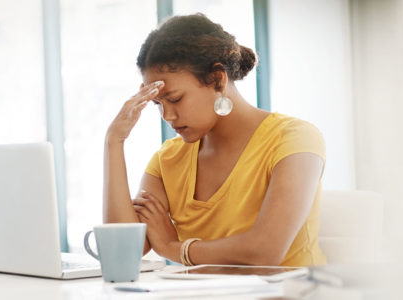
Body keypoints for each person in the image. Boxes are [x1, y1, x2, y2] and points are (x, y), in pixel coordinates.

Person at [104, 13, 326, 267]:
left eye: (175, 99)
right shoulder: (168, 159)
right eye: (157, 104)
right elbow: (124, 251)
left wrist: (173, 248)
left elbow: (265, 253)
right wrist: (114, 142)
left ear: (218, 80)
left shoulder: (294, 139)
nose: (167, 115)